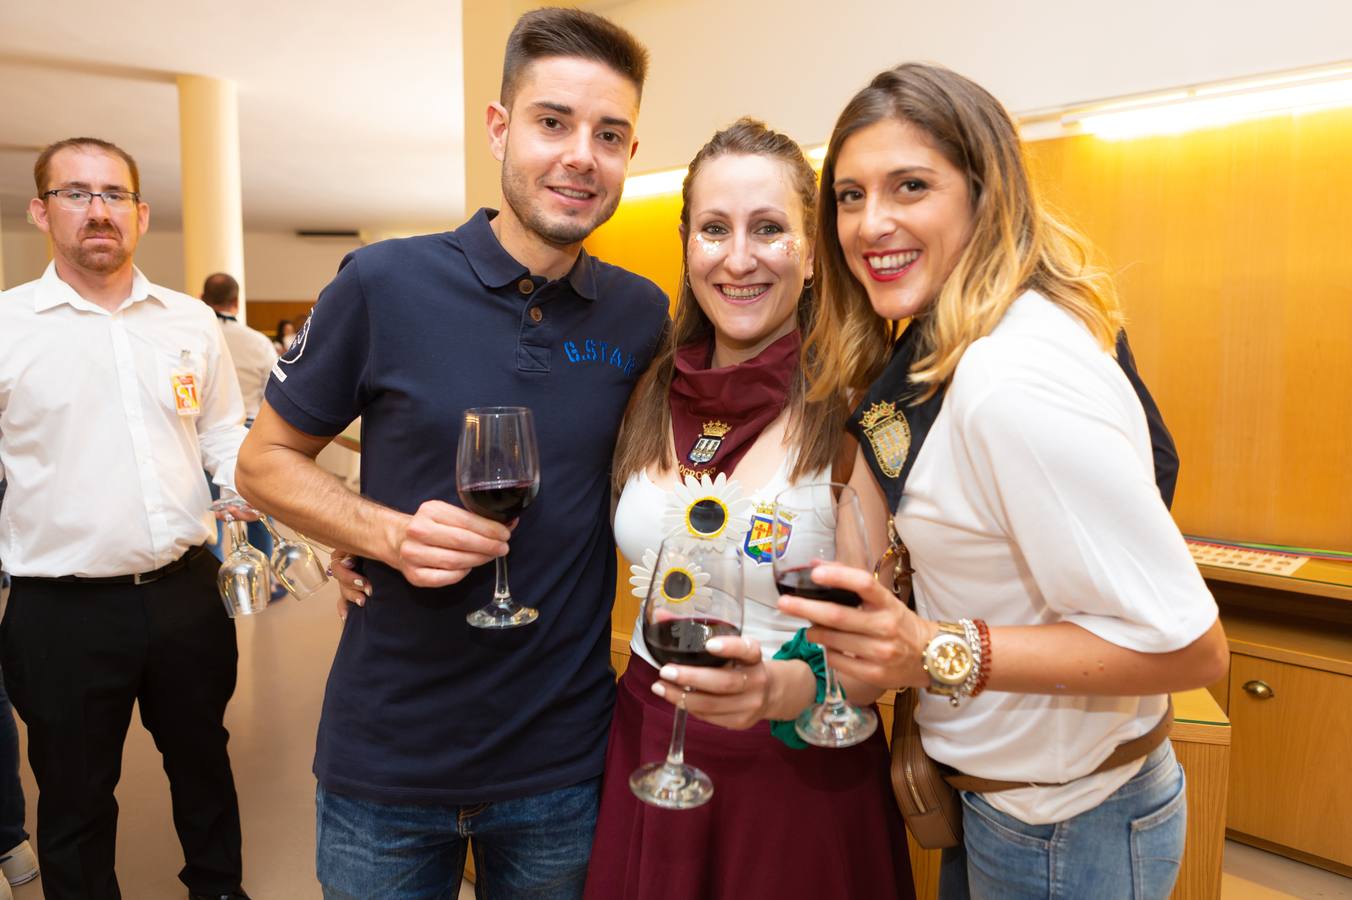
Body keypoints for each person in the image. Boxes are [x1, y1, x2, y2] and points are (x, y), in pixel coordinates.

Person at [234, 9, 666, 898]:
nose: (581, 154)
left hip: (562, 763)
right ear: (500, 128)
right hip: (387, 765)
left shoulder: (643, 316)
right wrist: (378, 533)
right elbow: (264, 459)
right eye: (553, 122)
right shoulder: (383, 284)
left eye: (609, 133)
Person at [778, 64, 1227, 898]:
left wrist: (933, 649)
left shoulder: (1009, 376)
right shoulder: (951, 343)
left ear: (986, 195)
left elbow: (1187, 645)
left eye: (910, 186)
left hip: (1064, 827)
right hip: (1019, 809)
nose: (871, 222)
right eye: (848, 195)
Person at [579, 118, 914, 900]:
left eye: (768, 229)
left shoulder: (857, 408)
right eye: (714, 229)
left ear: (810, 253)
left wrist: (789, 691)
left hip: (796, 768)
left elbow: (876, 651)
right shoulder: (645, 390)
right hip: (649, 742)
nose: (738, 258)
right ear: (687, 245)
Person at [0, 137, 251, 900]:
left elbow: (222, 440)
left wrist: (275, 501)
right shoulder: (9, 324)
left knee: (204, 764)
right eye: (76, 193)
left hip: (184, 591)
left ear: (140, 214)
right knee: (74, 798)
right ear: (42, 212)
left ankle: (218, 890)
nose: (98, 210)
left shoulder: (187, 322)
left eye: (114, 195)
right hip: (59, 609)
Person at [201, 273, 279, 571]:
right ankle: (266, 576)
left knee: (210, 512)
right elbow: (273, 393)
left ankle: (214, 574)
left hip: (203, 434)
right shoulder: (257, 341)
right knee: (258, 509)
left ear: (201, 298)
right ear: (236, 301)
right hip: (250, 430)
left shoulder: (198, 338)